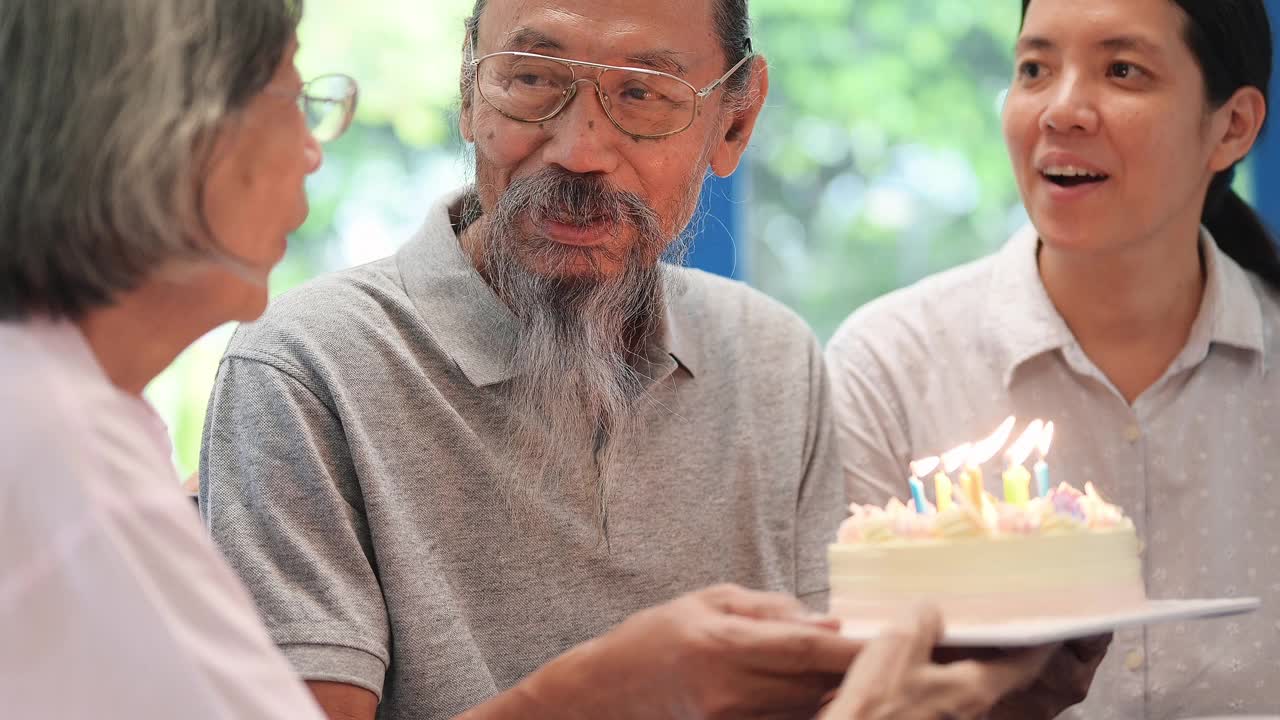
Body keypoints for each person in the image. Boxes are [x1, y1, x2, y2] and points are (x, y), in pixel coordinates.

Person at [198, 0, 1064, 718]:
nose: (578, 149)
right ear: (470, 91)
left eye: (645, 96)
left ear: (736, 121)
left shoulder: (771, 360)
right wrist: (605, 693)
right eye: (531, 82)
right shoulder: (308, 369)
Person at [825, 0, 1279, 716]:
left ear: (1232, 127)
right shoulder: (888, 366)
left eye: (1122, 70)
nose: (1061, 111)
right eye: (1034, 68)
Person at [0, 0, 358, 717]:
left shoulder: (74, 411)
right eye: (295, 98)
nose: (313, 151)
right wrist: (598, 687)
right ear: (171, 127)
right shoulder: (62, 451)